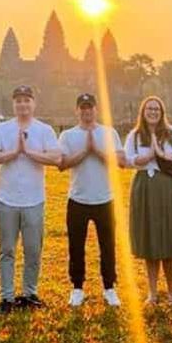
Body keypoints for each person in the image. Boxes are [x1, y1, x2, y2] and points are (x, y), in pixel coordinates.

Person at [0, 85, 61, 313]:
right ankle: (7, 297)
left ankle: (30, 293)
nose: (22, 104)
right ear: (14, 104)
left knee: (32, 250)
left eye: (26, 100)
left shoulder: (44, 130)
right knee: (6, 250)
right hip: (7, 200)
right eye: (18, 100)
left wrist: (29, 152)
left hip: (34, 200)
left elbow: (56, 157)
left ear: (33, 103)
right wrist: (13, 153)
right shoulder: (2, 129)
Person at [125, 95, 172, 306]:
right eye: (149, 109)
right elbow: (127, 159)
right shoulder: (136, 135)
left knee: (171, 239)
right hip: (146, 186)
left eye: (156, 109)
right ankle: (153, 293)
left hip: (171, 187)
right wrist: (146, 157)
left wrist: (165, 155)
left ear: (162, 112)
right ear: (143, 112)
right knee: (151, 240)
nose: (153, 112)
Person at [58, 93, 125, 307]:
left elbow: (120, 161)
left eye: (90, 107)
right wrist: (85, 151)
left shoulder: (109, 133)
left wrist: (97, 150)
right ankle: (77, 288)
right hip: (78, 199)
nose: (87, 111)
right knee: (76, 246)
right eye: (82, 108)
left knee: (108, 245)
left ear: (96, 110)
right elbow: (62, 163)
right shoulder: (68, 135)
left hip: (105, 199)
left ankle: (109, 287)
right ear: (76, 110)